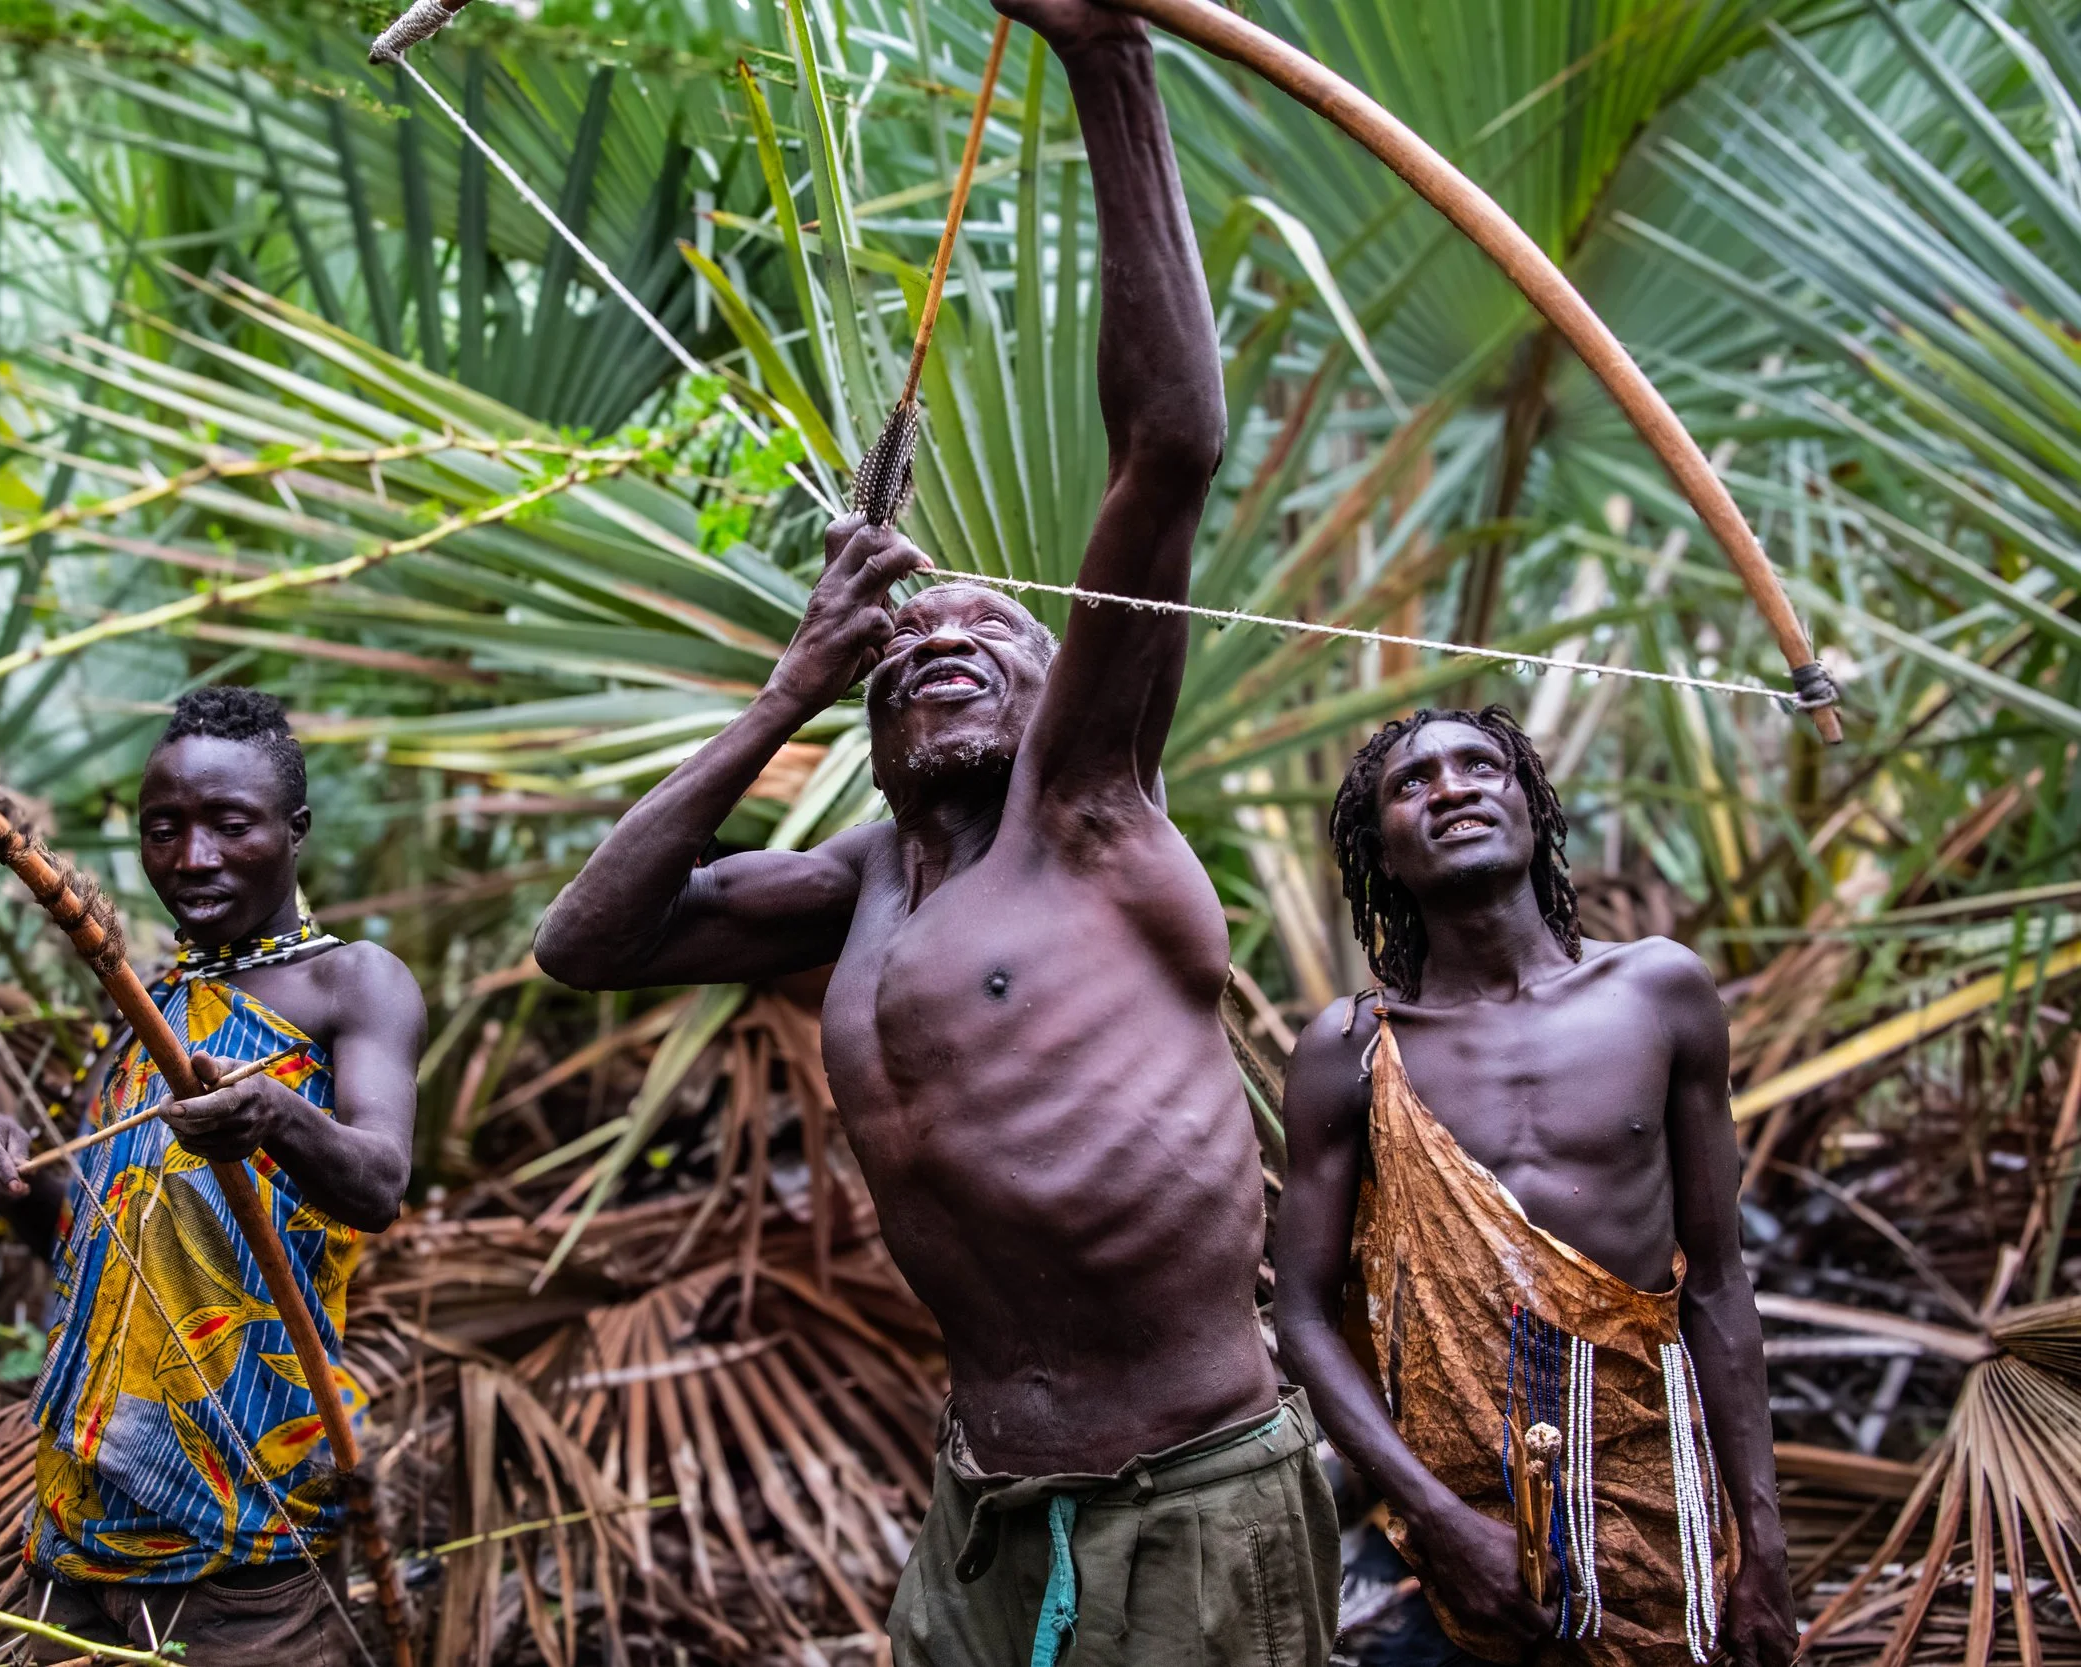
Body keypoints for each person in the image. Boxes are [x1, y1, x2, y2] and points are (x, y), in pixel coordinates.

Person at [530, 2, 1336, 1660]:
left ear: (1063, 694)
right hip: (984, 1505)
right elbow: (585, 944)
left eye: (991, 633)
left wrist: (1109, 60)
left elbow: (1171, 445)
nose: (936, 643)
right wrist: (782, 691)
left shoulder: (1089, 809)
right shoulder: (859, 890)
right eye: (901, 644)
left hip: (1190, 1492)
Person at [1273, 707, 1795, 1667]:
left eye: (1481, 766)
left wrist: (1763, 1545)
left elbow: (1720, 1282)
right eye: (1412, 783)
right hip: (1465, 1525)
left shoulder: (1658, 992)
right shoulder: (1351, 1050)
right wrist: (1436, 1519)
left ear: (1534, 809)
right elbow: (1302, 1316)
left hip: (1662, 1504)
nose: (1451, 787)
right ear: (1381, 851)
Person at [0, 686, 424, 1665]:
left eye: (230, 824)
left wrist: (275, 1112)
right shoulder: (146, 1003)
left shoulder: (352, 981)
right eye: (163, 829)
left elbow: (378, 1183)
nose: (192, 856)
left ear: (295, 829)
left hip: (245, 1522)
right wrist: (6, 1167)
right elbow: (91, 1236)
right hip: (82, 1508)